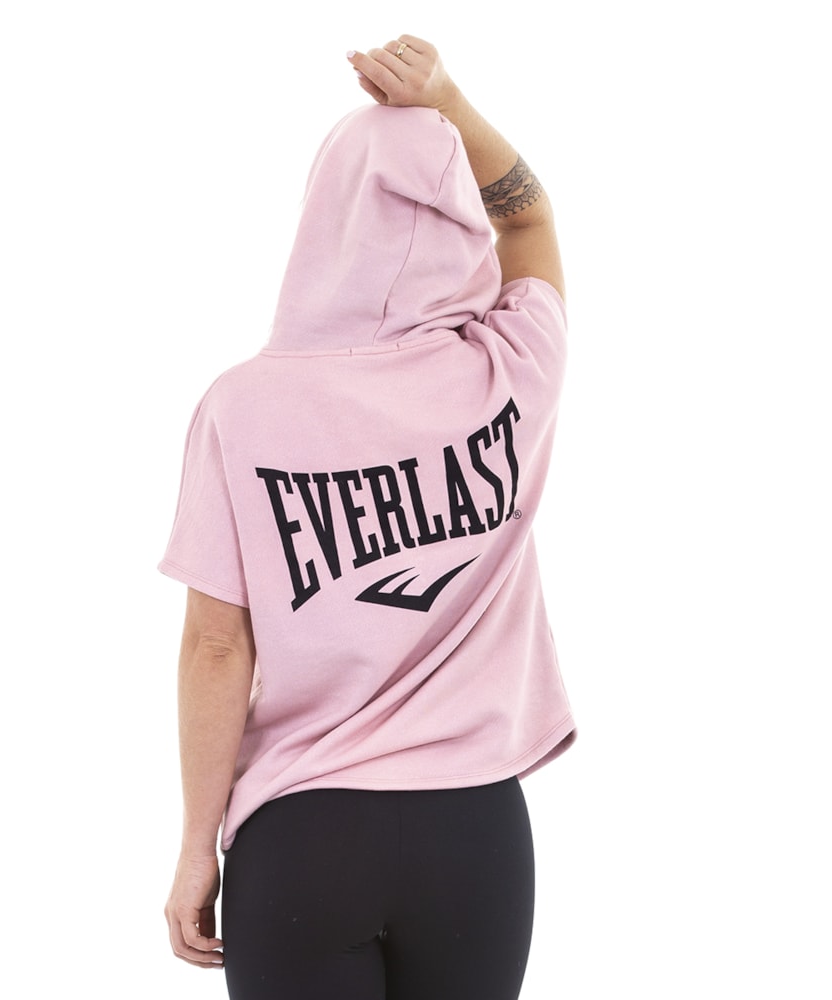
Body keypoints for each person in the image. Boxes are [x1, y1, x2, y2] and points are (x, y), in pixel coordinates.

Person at [160, 34, 575, 1000]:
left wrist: (194, 847)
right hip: (475, 834)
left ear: (323, 214)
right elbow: (530, 218)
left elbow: (217, 647)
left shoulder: (243, 406)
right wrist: (449, 103)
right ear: (459, 219)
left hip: (302, 833)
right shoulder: (514, 367)